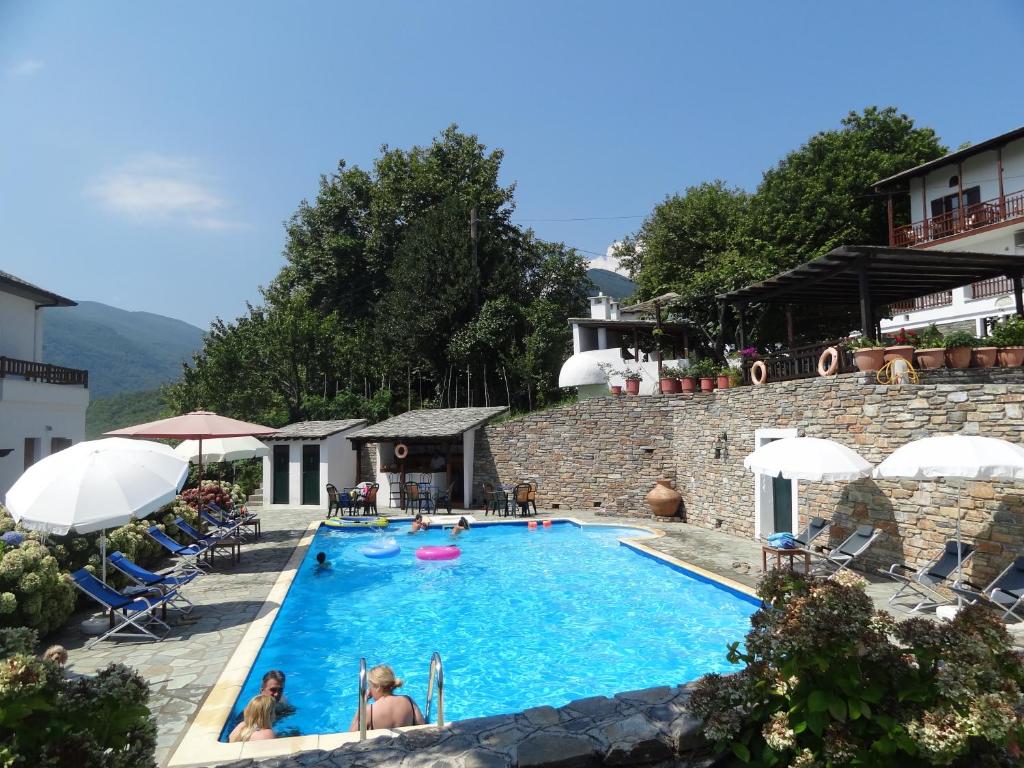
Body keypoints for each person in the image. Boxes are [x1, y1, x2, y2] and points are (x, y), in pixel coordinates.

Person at [348, 664, 425, 732]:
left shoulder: (370, 710)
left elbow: (352, 735)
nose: (369, 690)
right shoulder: (408, 701)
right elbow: (422, 726)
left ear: (377, 687)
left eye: (370, 686)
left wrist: (362, 703)